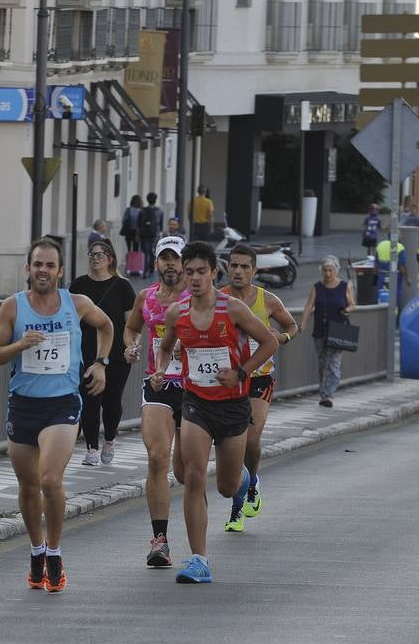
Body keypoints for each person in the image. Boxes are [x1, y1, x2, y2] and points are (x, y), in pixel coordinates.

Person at [0, 238, 114, 592]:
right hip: (24, 405)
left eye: (49, 265)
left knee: (49, 480)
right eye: (37, 265)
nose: (43, 271)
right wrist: (19, 345)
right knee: (28, 486)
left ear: (60, 271)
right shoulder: (12, 309)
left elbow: (107, 327)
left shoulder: (77, 304)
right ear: (28, 269)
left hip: (63, 404)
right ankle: (36, 551)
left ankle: (55, 554)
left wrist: (101, 363)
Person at [150, 242, 278, 584]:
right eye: (189, 272)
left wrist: (241, 373)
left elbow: (270, 342)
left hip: (233, 404)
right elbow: (164, 349)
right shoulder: (177, 313)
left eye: (200, 272)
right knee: (192, 476)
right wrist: (162, 370)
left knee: (226, 486)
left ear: (213, 273)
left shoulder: (232, 309)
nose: (193, 278)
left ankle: (244, 481)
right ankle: (198, 560)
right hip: (196, 403)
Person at [220, 243, 299, 530]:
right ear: (227, 268)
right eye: (234, 265)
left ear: (255, 270)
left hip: (259, 379)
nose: (238, 271)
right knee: (230, 446)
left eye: (244, 267)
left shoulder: (268, 301)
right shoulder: (219, 298)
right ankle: (238, 499)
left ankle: (248, 489)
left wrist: (282, 338)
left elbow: (292, 326)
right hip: (227, 379)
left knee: (250, 440)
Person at [122, 234, 190, 567]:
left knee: (185, 469)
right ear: (156, 262)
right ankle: (159, 540)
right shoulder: (146, 298)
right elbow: (132, 328)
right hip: (158, 383)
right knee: (157, 458)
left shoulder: (200, 297)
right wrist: (131, 345)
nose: (170, 264)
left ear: (184, 263)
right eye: (164, 258)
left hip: (194, 386)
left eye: (175, 258)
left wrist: (188, 344)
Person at [71, 239, 137, 466]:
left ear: (110, 259)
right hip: (86, 351)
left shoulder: (123, 286)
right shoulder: (78, 285)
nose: (95, 258)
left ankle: (109, 438)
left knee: (111, 400)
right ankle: (91, 448)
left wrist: (132, 346)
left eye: (100, 254)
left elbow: (132, 324)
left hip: (117, 353)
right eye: (91, 254)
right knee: (90, 400)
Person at [301, 256, 355, 407]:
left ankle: (328, 395)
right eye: (325, 270)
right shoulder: (317, 287)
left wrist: (347, 309)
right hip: (320, 331)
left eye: (331, 270)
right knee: (323, 364)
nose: (328, 273)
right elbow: (308, 306)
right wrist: (303, 323)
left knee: (334, 365)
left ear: (336, 270)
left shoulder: (344, 286)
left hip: (338, 330)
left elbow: (352, 304)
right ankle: (324, 391)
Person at [376, 233, 408, 305]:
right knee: (395, 297)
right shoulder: (400, 247)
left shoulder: (380, 245)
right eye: (400, 234)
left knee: (382, 295)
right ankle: (394, 314)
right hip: (395, 276)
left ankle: (382, 313)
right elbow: (402, 267)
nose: (401, 236)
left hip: (382, 275)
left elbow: (376, 265)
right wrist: (407, 279)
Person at [138, 192, 164, 277]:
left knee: (145, 252)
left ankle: (145, 270)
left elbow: (138, 224)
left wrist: (138, 234)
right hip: (154, 233)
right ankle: (151, 270)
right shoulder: (159, 211)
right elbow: (160, 224)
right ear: (155, 200)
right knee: (152, 251)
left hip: (144, 234)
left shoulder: (142, 210)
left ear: (147, 199)